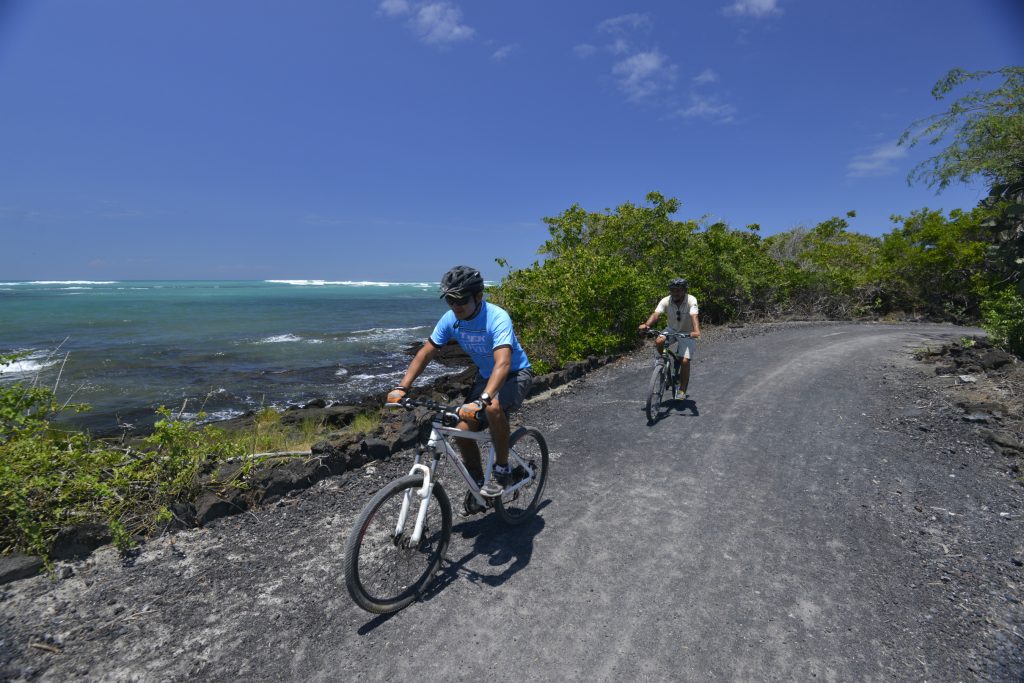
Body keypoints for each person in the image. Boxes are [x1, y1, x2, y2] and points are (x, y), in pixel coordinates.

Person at [387, 265, 533, 502]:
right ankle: (476, 479)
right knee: (462, 428)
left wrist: (483, 400)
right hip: (486, 375)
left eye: (461, 299)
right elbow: (425, 353)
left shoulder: (497, 318)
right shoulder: (450, 320)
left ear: (478, 296)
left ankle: (503, 469)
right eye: (450, 300)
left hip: (515, 374)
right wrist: (402, 387)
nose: (455, 305)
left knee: (492, 406)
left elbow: (504, 363)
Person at [638, 277, 701, 396]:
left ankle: (682, 390)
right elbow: (656, 314)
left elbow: (694, 316)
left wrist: (696, 331)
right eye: (673, 290)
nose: (675, 293)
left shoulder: (691, 300)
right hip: (672, 329)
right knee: (659, 340)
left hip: (687, 332)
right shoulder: (666, 300)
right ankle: (663, 361)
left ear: (684, 291)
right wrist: (647, 325)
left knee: (685, 361)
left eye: (679, 290)